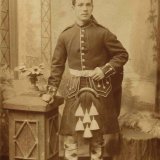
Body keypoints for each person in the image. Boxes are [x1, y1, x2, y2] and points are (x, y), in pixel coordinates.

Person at [42, 0, 128, 159]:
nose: (85, 8)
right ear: (73, 7)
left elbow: (122, 55)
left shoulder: (103, 33)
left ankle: (97, 157)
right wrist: (51, 90)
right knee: (70, 131)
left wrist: (105, 70)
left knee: (97, 131)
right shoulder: (66, 35)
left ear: (92, 7)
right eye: (80, 5)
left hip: (99, 88)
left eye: (88, 4)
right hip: (74, 88)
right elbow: (57, 65)